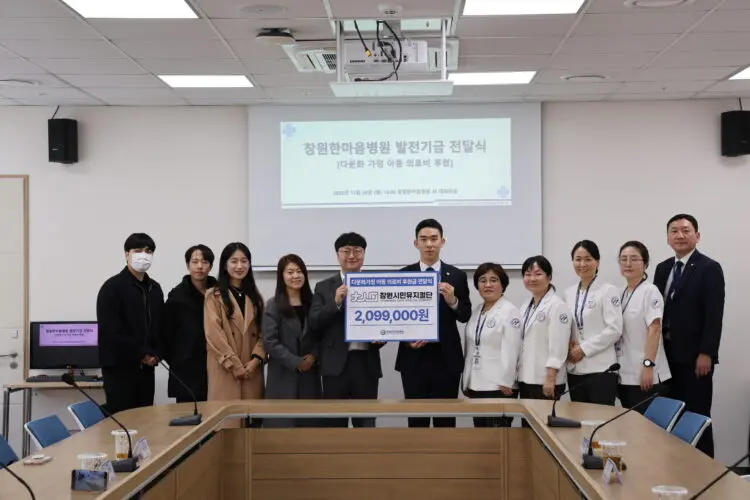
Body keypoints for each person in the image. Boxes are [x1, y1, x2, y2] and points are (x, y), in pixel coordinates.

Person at [654, 214, 724, 458]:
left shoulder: (709, 268)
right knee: (669, 417)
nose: (680, 235)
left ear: (697, 235)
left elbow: (714, 315)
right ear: (667, 238)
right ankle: (674, 468)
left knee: (697, 417)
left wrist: (707, 353)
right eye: (674, 231)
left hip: (695, 358)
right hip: (666, 357)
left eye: (686, 230)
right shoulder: (663, 268)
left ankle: (705, 472)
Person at [396, 219, 471, 428]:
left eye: (434, 239)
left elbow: (465, 314)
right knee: (416, 420)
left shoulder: (456, 275)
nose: (429, 244)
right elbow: (395, 316)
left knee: (445, 420)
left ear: (442, 242)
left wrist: (453, 301)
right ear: (416, 243)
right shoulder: (403, 275)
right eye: (423, 239)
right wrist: (407, 339)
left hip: (446, 359)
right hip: (413, 358)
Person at [308, 232, 384, 428]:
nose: (352, 256)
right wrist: (335, 302)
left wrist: (382, 337)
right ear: (337, 255)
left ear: (364, 254)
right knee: (334, 423)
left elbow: (386, 320)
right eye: (346, 251)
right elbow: (314, 322)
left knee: (366, 423)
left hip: (366, 363)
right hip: (334, 364)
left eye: (357, 251)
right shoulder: (324, 287)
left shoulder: (377, 284)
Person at [96, 233, 163, 414]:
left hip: (147, 369)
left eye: (148, 251)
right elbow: (111, 330)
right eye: (138, 250)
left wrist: (157, 354)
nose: (144, 255)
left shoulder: (154, 288)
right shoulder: (112, 287)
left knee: (144, 419)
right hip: (120, 369)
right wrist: (141, 353)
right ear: (127, 254)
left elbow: (159, 326)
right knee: (122, 420)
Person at [204, 243, 266, 426]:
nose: (239, 266)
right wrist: (235, 365)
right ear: (225, 265)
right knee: (227, 423)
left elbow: (265, 334)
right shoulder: (213, 296)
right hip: (225, 369)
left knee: (251, 424)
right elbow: (214, 335)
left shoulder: (255, 297)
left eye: (244, 261)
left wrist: (256, 360)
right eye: (234, 261)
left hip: (251, 369)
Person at [263, 254, 321, 428]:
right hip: (283, 375)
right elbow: (269, 341)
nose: (296, 275)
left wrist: (314, 356)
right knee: (282, 427)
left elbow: (322, 335)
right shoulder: (273, 305)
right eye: (290, 272)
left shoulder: (314, 303)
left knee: (310, 427)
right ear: (281, 276)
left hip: (309, 375)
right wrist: (296, 362)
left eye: (299, 271)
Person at [461, 262, 522, 428]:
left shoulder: (510, 311)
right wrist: (466, 381)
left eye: (493, 280)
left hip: (499, 386)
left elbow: (513, 349)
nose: (487, 284)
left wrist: (507, 381)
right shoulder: (477, 311)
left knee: (497, 437)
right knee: (481, 435)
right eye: (482, 280)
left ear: (503, 285)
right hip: (476, 384)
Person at [563, 240, 622, 406]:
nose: (582, 264)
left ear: (597, 262)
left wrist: (583, 349)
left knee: (600, 419)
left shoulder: (608, 290)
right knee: (578, 418)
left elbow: (614, 329)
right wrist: (567, 344)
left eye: (588, 259)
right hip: (575, 368)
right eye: (578, 259)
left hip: (601, 369)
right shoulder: (568, 293)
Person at [616, 241, 671, 411]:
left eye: (634, 259)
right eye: (623, 259)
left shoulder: (650, 291)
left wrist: (648, 366)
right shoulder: (621, 293)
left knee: (646, 426)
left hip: (647, 375)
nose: (628, 263)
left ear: (645, 264)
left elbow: (655, 329)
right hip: (625, 374)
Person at [162, 244, 216, 403]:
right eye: (195, 262)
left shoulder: (220, 292)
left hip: (216, 366)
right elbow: (166, 336)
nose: (200, 266)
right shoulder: (177, 297)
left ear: (211, 266)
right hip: (187, 370)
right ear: (188, 265)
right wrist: (181, 358)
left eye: (205, 262)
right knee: (189, 414)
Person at [517, 256, 571, 401]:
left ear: (549, 277)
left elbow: (559, 345)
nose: (532, 278)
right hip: (526, 377)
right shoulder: (525, 306)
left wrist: (550, 378)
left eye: (538, 274)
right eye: (528, 274)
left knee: (544, 416)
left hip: (545, 380)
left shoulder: (558, 305)